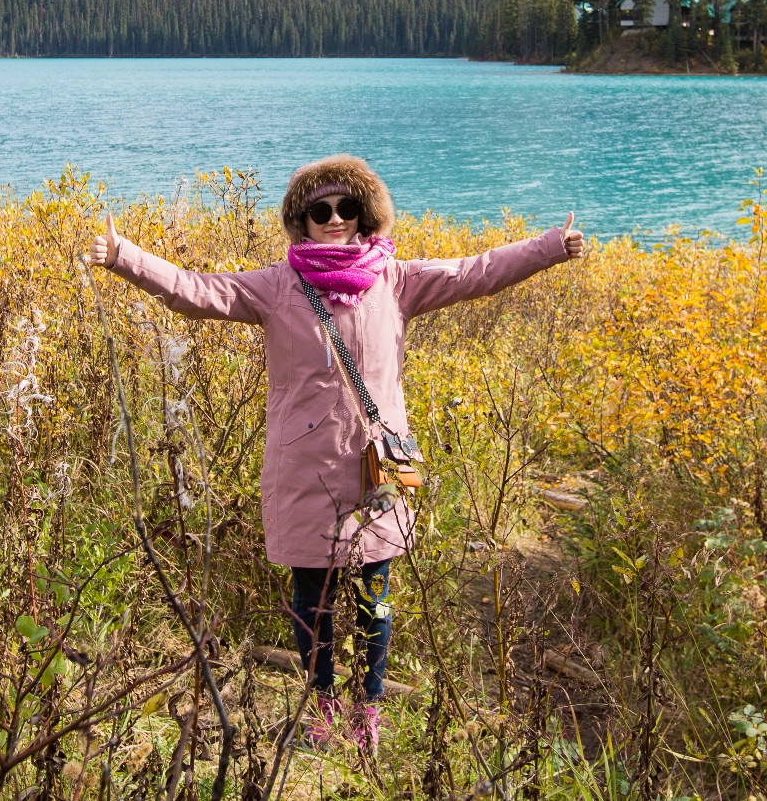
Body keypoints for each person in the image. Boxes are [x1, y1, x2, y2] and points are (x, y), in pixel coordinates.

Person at [91, 154, 585, 752]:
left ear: (364, 214)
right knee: (311, 599)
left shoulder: (395, 279)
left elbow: (475, 271)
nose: (332, 218)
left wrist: (551, 247)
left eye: (344, 208)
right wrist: (125, 258)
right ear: (301, 219)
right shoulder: (277, 287)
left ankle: (368, 712)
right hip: (303, 468)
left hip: (375, 467)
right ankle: (324, 709)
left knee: (373, 595)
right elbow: (199, 292)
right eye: (318, 210)